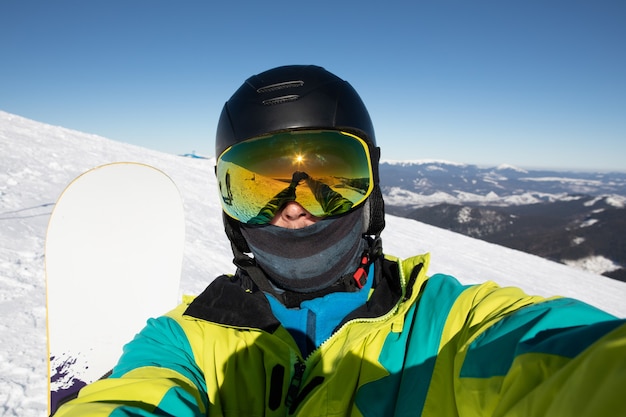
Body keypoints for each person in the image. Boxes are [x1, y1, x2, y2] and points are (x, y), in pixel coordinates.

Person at [55, 65, 626, 416]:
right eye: (259, 186)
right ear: (227, 205)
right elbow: (134, 398)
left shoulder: (451, 329)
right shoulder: (185, 343)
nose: (296, 207)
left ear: (373, 187)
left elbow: (571, 363)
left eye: (328, 178)